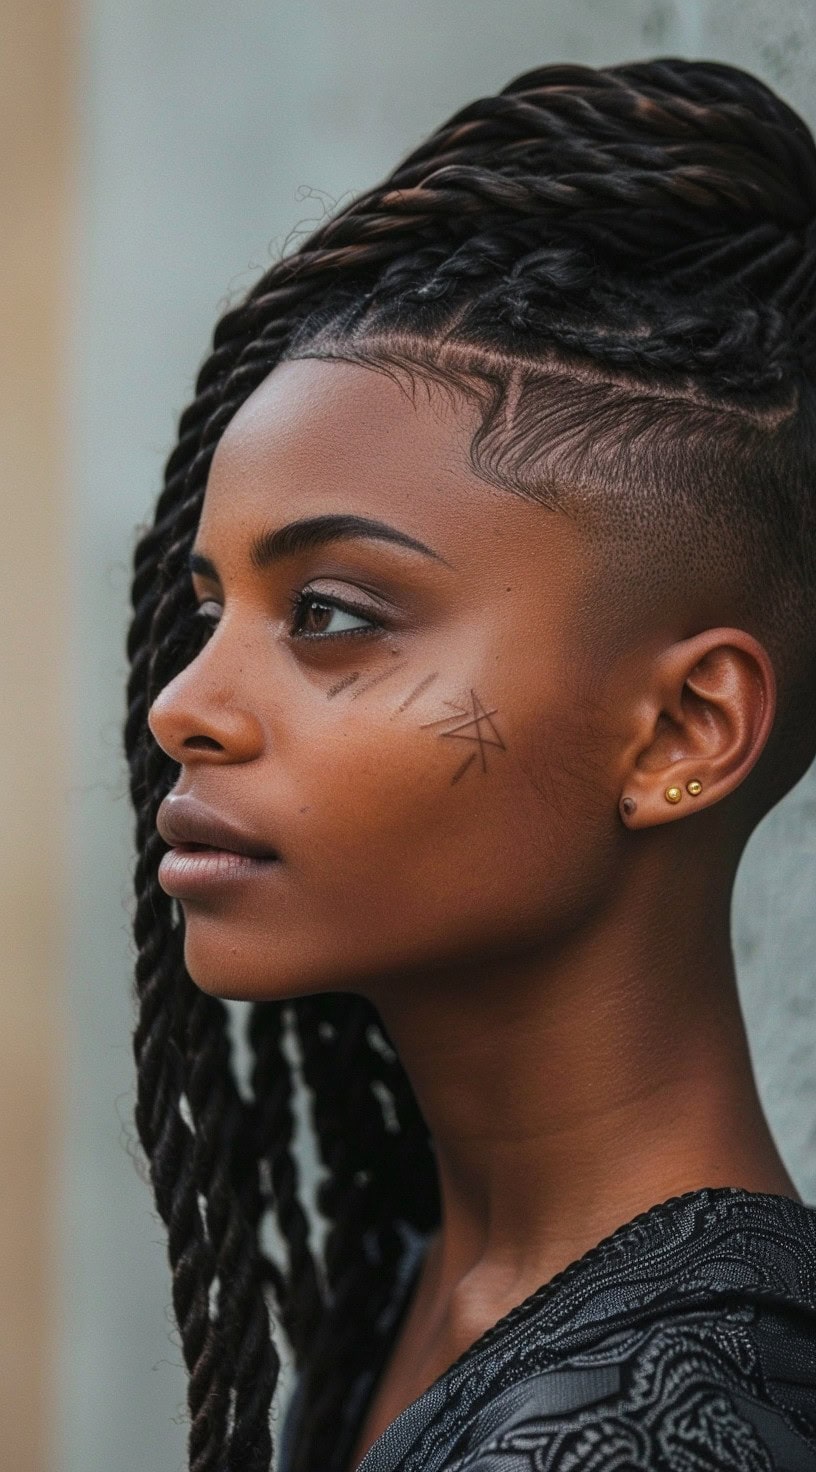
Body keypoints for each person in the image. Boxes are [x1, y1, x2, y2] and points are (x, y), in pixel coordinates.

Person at [126, 56, 816, 1472]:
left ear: (683, 732)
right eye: (210, 611)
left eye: (330, 615)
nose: (183, 708)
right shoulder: (402, 1276)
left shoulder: (658, 1437)